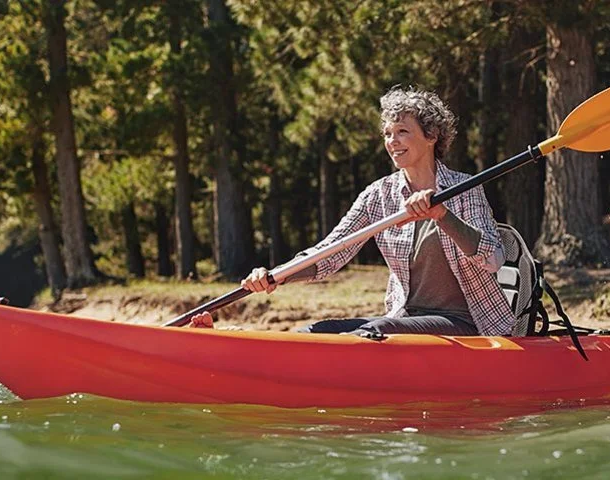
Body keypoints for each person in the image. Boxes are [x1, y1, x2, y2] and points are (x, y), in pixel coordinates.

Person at [191, 86, 512, 337]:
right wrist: (276, 277)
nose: (392, 141)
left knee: (376, 331)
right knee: (315, 331)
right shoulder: (379, 195)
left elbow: (492, 258)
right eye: (387, 133)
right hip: (405, 319)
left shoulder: (464, 188)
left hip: (466, 323)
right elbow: (328, 255)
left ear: (431, 136)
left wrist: (443, 215)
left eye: (402, 131)